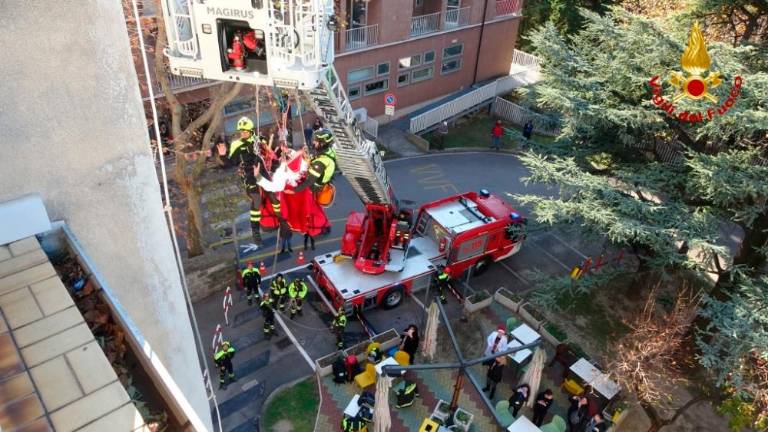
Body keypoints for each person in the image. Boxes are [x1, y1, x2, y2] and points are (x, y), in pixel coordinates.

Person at [217, 117, 282, 246]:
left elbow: (270, 155)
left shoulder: (259, 140)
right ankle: (255, 232)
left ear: (251, 130)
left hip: (262, 172)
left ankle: (281, 220)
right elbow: (230, 164)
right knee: (256, 200)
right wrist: (223, 155)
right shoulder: (237, 145)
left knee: (273, 197)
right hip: (249, 175)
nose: (243, 133)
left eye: (245, 131)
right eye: (241, 131)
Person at [286, 129, 336, 202]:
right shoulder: (330, 151)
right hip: (322, 180)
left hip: (313, 188)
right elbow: (317, 158)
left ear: (322, 143)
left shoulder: (321, 162)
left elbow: (309, 181)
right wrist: (309, 158)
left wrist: (293, 191)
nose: (313, 142)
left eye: (316, 141)